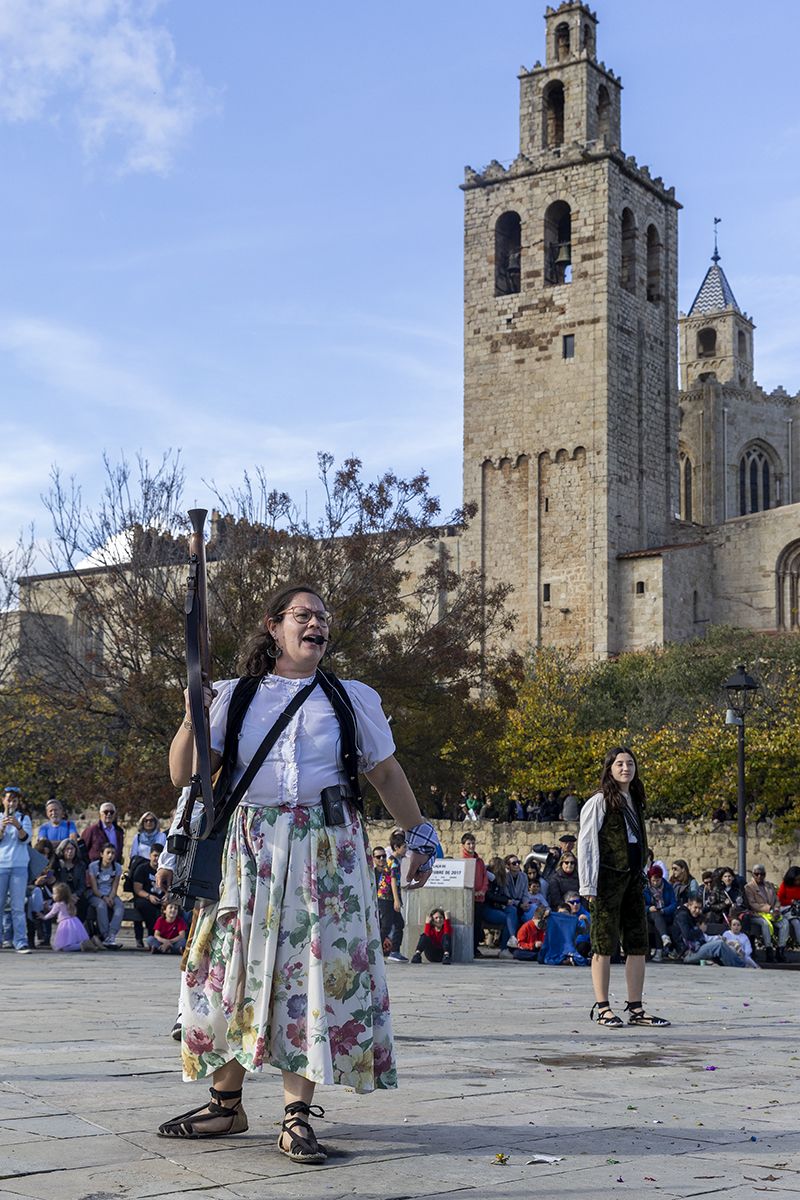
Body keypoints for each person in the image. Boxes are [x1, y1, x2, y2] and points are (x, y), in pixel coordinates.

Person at [156, 585, 436, 1164]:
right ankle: (225, 1103)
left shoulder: (349, 697)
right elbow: (185, 774)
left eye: (323, 617)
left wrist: (419, 832)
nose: (317, 625)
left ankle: (296, 1115)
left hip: (325, 853)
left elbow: (383, 772)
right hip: (247, 851)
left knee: (310, 976)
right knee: (233, 972)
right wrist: (190, 714)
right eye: (304, 615)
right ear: (274, 626)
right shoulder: (232, 697)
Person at [577, 747, 669, 1027]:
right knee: (604, 943)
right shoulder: (599, 801)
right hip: (607, 879)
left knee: (638, 943)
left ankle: (636, 1008)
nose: (626, 768)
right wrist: (588, 884)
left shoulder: (634, 800)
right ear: (610, 768)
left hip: (632, 879)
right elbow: (587, 843)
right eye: (620, 763)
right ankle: (603, 1007)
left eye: (630, 763)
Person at [0, 785, 32, 954]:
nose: (11, 802)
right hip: (1, 865)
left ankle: (20, 940)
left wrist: (18, 826)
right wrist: (3, 827)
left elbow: (26, 839)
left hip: (19, 866)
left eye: (14, 800)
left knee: (18, 906)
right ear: (3, 800)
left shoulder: (24, 818)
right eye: (8, 799)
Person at [674, 897, 747, 967]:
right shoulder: (682, 915)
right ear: (689, 905)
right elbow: (687, 935)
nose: (697, 911)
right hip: (688, 953)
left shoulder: (692, 916)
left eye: (699, 908)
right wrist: (700, 930)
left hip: (697, 948)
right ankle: (741, 966)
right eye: (695, 907)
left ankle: (740, 963)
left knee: (729, 947)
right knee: (719, 945)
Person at [745, 865, 789, 962]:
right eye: (757, 874)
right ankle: (769, 951)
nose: (759, 876)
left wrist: (776, 909)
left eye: (762, 874)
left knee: (785, 923)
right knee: (765, 924)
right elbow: (752, 904)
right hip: (757, 914)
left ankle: (780, 951)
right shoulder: (749, 887)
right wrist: (770, 909)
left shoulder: (769, 885)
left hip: (772, 913)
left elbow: (777, 900)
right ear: (753, 874)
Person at [42, 883, 103, 952]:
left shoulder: (58, 904)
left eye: (54, 893)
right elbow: (52, 908)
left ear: (60, 895)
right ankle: (92, 942)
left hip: (65, 925)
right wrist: (48, 907)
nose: (52, 895)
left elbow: (52, 913)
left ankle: (82, 945)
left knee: (64, 947)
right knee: (74, 941)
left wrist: (44, 917)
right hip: (75, 922)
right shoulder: (70, 902)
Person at [87, 842, 124, 947]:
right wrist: (104, 898)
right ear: (101, 854)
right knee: (101, 906)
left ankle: (112, 934)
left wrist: (111, 897)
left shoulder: (117, 867)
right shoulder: (93, 866)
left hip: (110, 895)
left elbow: (115, 886)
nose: (110, 856)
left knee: (120, 906)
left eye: (112, 853)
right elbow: (94, 888)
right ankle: (105, 935)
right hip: (97, 895)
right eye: (108, 853)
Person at [461, 832, 489, 958]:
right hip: (467, 898)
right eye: (468, 843)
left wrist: (482, 890)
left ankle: (475, 947)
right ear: (463, 845)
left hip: (479, 898)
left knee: (477, 923)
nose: (471, 846)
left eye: (473, 843)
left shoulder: (479, 861)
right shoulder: (462, 861)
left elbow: (484, 877)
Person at [131, 844, 166, 938]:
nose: (157, 858)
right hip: (145, 898)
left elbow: (170, 887)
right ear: (150, 855)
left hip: (161, 899)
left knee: (172, 908)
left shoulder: (165, 871)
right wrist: (149, 896)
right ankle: (152, 936)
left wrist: (167, 896)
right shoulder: (142, 869)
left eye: (159, 856)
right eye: (155, 855)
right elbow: (137, 889)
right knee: (148, 908)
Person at [643, 865, 677, 961]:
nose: (655, 883)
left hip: (665, 913)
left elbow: (673, 903)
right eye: (653, 880)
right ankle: (663, 941)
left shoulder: (668, 887)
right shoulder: (645, 889)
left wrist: (664, 910)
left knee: (658, 922)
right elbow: (641, 904)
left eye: (657, 880)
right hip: (650, 914)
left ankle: (659, 950)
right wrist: (649, 908)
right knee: (656, 916)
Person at [373, 846, 401, 957]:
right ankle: (376, 952)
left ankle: (395, 951)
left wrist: (397, 900)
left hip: (391, 901)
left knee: (399, 924)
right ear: (374, 858)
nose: (381, 859)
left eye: (383, 856)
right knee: (385, 926)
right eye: (378, 857)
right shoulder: (372, 873)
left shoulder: (389, 868)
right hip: (382, 902)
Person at [385, 830, 408, 962]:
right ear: (396, 847)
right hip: (389, 897)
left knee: (397, 924)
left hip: (391, 897)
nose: (406, 850)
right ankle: (392, 951)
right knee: (388, 925)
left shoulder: (395, 861)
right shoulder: (393, 862)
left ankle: (395, 951)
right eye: (404, 847)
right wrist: (396, 900)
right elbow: (393, 881)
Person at [53, 839, 89, 920]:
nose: (70, 851)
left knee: (83, 903)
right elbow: (57, 883)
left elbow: (82, 885)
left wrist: (75, 895)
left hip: (76, 894)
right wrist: (67, 896)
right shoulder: (58, 864)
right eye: (67, 849)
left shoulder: (81, 865)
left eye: (72, 849)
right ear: (62, 850)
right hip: (62, 894)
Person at [778, 865, 800, 947]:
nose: (798, 881)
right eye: (796, 880)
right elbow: (779, 900)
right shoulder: (785, 885)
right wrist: (791, 901)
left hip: (798, 909)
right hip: (788, 909)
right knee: (796, 923)